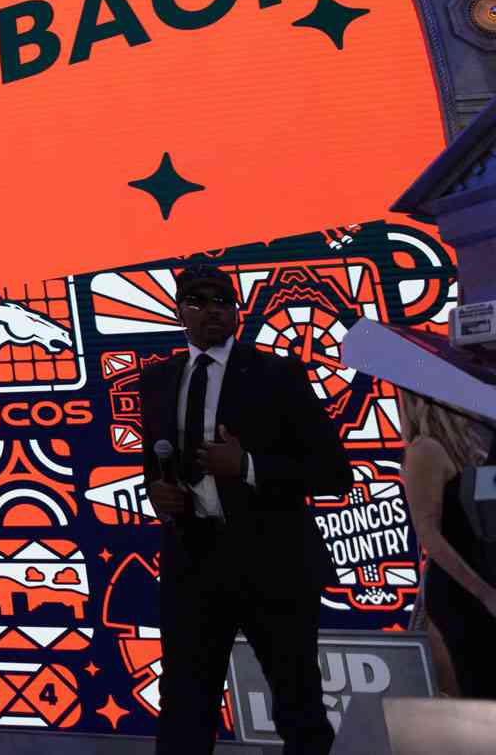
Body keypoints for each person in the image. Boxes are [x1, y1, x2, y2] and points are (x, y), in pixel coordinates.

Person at [138, 258, 352, 754]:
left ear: (235, 311)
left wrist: (249, 465)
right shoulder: (158, 380)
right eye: (199, 302)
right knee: (185, 708)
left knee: (297, 705)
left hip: (272, 562)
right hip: (192, 561)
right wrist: (158, 492)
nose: (213, 311)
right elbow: (157, 460)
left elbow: (333, 473)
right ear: (179, 312)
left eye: (223, 302)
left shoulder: (277, 373)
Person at [400, 387, 496, 698]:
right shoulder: (424, 451)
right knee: (478, 690)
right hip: (462, 588)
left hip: (483, 575)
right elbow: (429, 535)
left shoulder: (471, 445)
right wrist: (483, 592)